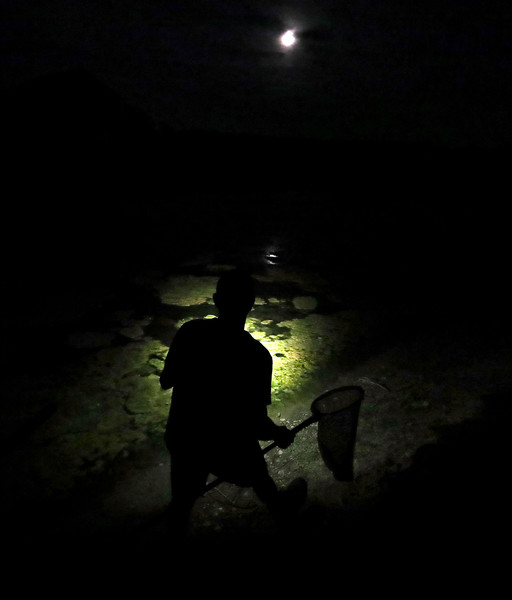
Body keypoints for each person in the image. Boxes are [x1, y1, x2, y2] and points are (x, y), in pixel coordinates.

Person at [160, 268, 306, 536]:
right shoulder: (258, 357)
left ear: (216, 299)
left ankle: (175, 533)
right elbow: (257, 424)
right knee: (258, 473)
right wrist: (279, 434)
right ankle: (284, 516)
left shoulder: (190, 332)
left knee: (182, 498)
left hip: (184, 437)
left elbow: (166, 380)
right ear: (251, 304)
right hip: (226, 448)